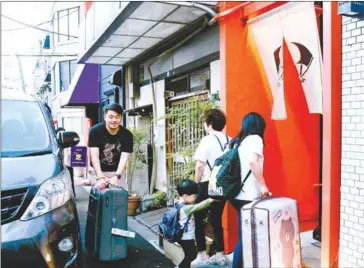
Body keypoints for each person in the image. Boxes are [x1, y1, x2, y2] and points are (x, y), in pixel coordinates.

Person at [230, 112, 270, 268]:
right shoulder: (255, 139)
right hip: (248, 194)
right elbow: (253, 163)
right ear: (259, 125)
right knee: (246, 237)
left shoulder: (240, 141)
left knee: (246, 235)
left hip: (236, 194)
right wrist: (263, 185)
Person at [192, 109, 231, 266]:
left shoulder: (207, 140)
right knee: (216, 218)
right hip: (224, 185)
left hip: (207, 184)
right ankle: (220, 253)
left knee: (198, 218)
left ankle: (202, 255)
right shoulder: (230, 140)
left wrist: (196, 184)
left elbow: (200, 166)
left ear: (209, 124)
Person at [86, 103, 133, 188]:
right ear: (105, 117)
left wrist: (117, 176)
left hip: (117, 172)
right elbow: (94, 156)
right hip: (98, 171)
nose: (114, 120)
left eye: (117, 117)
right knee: (99, 198)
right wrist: (100, 177)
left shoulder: (127, 135)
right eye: (110, 117)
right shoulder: (95, 131)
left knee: (119, 197)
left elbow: (124, 158)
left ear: (121, 117)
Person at [176, 179, 215, 268]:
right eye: (194, 196)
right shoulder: (186, 208)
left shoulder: (177, 205)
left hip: (181, 237)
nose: (195, 198)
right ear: (185, 196)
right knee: (192, 255)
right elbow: (199, 206)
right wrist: (210, 200)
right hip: (186, 238)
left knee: (188, 255)